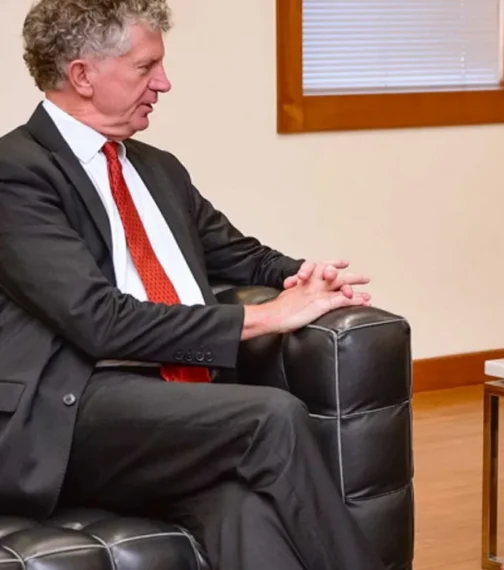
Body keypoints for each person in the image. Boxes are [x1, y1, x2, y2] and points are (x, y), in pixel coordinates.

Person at [0, 1, 385, 569]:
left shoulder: (156, 169)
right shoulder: (17, 172)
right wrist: (267, 317)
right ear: (82, 75)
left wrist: (304, 276)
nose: (164, 83)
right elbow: (98, 320)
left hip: (173, 413)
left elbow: (238, 253)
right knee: (270, 417)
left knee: (241, 506)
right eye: (145, 67)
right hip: (73, 414)